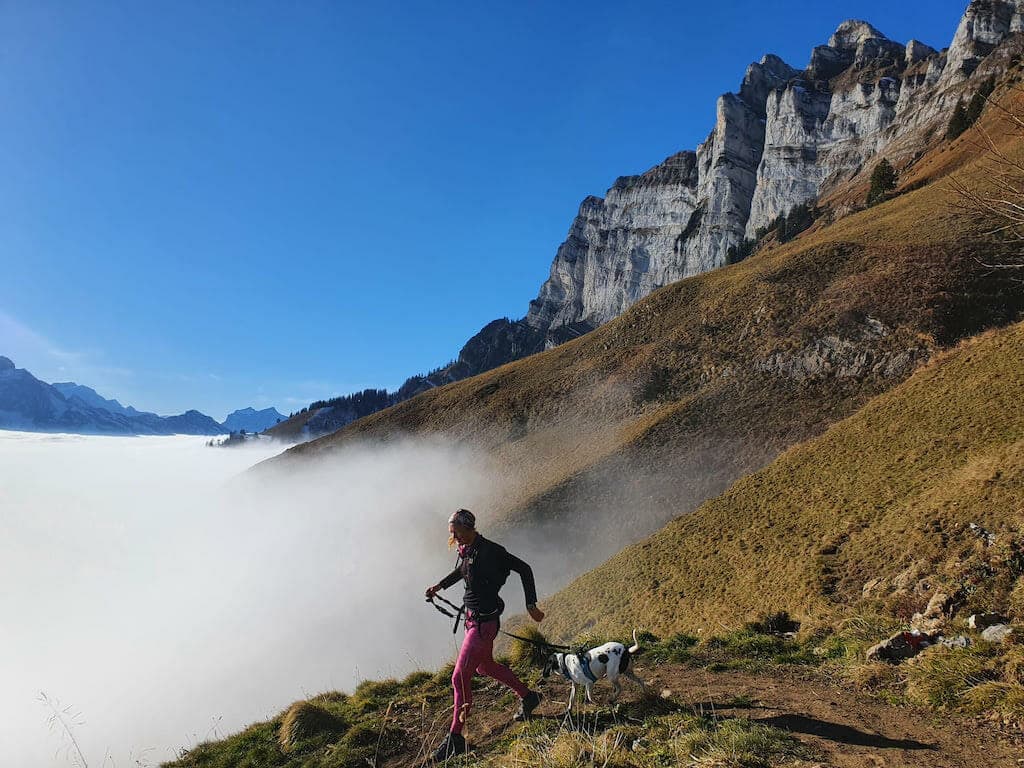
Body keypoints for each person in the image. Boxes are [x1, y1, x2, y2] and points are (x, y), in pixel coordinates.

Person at [424, 508, 545, 761]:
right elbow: (464, 571)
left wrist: (531, 605)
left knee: (459, 678)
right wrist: (440, 586)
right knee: (485, 668)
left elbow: (524, 568)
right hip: (473, 621)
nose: (454, 537)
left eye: (456, 532)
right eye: (452, 533)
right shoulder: (468, 549)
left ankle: (455, 737)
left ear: (469, 528)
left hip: (483, 625)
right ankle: (529, 696)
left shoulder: (491, 551)